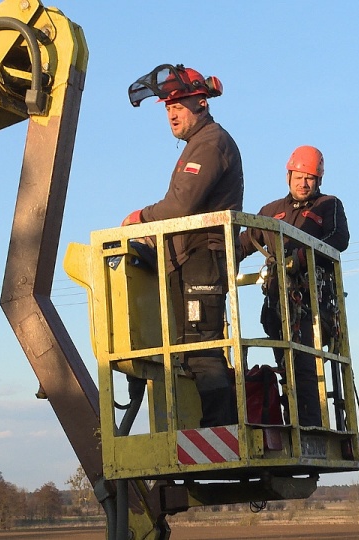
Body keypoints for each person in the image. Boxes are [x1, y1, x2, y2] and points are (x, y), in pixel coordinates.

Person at [121, 64, 243, 427]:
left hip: (203, 258)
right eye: (167, 107)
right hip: (190, 259)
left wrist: (139, 218)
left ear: (201, 103)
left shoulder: (210, 143)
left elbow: (182, 204)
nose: (171, 113)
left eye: (179, 104)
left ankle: (221, 434)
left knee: (201, 351)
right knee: (191, 350)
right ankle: (215, 429)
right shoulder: (199, 144)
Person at [238, 145, 349, 427]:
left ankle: (308, 426)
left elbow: (338, 240)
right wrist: (216, 259)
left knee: (303, 365)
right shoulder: (272, 212)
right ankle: (291, 424)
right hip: (277, 303)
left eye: (310, 177)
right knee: (287, 367)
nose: (303, 182)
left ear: (319, 180)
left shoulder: (328, 206)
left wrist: (302, 256)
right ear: (288, 175)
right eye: (299, 176)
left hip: (311, 303)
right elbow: (243, 243)